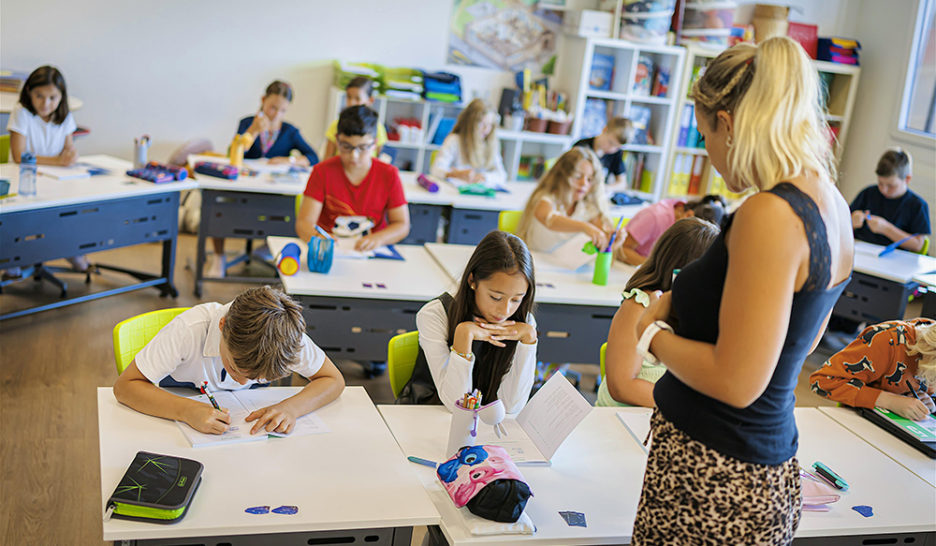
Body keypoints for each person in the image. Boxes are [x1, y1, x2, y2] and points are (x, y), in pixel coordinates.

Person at [629, 37, 853, 544]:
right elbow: (801, 341)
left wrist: (652, 334)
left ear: (727, 125)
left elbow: (737, 382)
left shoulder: (768, 214)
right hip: (757, 468)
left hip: (714, 476)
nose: (708, 155)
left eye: (704, 134)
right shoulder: (832, 206)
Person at [113, 286, 345, 435]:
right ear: (222, 326)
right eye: (235, 368)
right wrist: (186, 410)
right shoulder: (188, 331)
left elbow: (333, 380)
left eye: (259, 378)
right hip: (174, 420)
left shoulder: (286, 338)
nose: (243, 381)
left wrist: (291, 408)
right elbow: (125, 387)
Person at [398, 231, 537, 413]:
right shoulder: (435, 314)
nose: (505, 311)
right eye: (495, 297)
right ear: (473, 280)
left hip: (485, 422)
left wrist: (529, 340)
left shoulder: (524, 323)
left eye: (516, 299)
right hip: (428, 413)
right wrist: (464, 335)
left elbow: (511, 407)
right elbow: (456, 404)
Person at [598, 217, 720, 407]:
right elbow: (622, 387)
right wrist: (688, 407)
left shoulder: (699, 311)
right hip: (626, 416)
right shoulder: (639, 305)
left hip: (660, 414)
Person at [208, 81, 319, 278]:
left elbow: (313, 157)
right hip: (242, 188)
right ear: (263, 101)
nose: (276, 114)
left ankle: (270, 248)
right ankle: (219, 256)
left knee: (287, 210)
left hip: (272, 191)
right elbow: (233, 153)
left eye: (282, 110)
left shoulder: (289, 132)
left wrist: (289, 160)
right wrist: (253, 131)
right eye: (273, 108)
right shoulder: (247, 123)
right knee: (218, 208)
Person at [7, 66, 89, 274]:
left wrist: (71, 154)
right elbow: (19, 157)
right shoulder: (21, 112)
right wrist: (58, 161)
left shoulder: (64, 116)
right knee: (28, 218)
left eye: (53, 98)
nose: (45, 104)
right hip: (23, 180)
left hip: (54, 179)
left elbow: (68, 147)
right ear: (29, 93)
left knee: (68, 212)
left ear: (62, 97)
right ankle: (17, 257)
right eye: (39, 96)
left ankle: (68, 249)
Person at [296, 105, 410, 251]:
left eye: (362, 148)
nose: (354, 156)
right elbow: (304, 223)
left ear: (374, 144)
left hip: (371, 251)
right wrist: (318, 237)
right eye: (346, 146)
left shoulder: (389, 174)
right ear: (337, 140)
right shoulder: (322, 172)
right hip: (330, 249)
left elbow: (402, 224)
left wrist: (378, 238)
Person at [809, 318, 936, 421]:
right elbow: (822, 381)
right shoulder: (887, 339)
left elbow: (928, 390)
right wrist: (890, 401)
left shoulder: (930, 355)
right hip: (856, 419)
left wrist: (924, 399)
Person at [516, 146, 624, 254]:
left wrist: (612, 241)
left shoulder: (588, 207)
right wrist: (585, 227)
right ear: (561, 176)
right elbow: (549, 219)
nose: (584, 183)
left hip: (565, 263)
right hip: (536, 258)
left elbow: (602, 239)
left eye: (589, 179)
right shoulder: (546, 198)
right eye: (578, 176)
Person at [851, 148, 930, 253]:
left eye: (891, 186)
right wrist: (851, 222)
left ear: (907, 179)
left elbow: (918, 245)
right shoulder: (867, 193)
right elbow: (841, 226)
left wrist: (886, 229)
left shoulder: (917, 205)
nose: (884, 189)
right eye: (880, 183)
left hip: (896, 258)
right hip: (861, 252)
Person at [618, 194, 726, 266]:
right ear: (689, 215)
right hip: (626, 268)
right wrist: (654, 268)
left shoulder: (685, 216)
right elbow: (621, 249)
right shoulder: (654, 217)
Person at [430, 99, 506, 186]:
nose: (486, 129)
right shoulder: (454, 140)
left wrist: (484, 176)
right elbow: (436, 170)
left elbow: (502, 175)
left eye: (490, 124)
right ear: (470, 123)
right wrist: (455, 174)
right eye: (482, 123)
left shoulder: (490, 144)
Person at [323, 76, 387, 159]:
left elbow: (380, 157)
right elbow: (328, 157)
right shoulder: (336, 125)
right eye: (349, 97)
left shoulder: (377, 127)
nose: (351, 102)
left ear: (370, 100)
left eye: (357, 98)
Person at [572, 117, 635, 189]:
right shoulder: (581, 147)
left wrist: (605, 188)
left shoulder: (616, 153)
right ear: (605, 129)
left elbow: (622, 183)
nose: (612, 149)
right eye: (610, 143)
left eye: (617, 147)